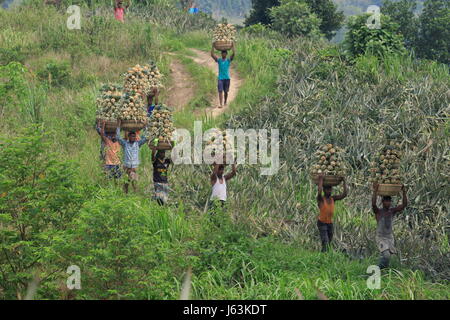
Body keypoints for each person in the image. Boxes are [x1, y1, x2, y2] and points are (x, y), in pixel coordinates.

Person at [372, 183, 408, 269]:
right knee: (386, 256)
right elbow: (373, 204)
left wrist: (404, 192)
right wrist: (375, 191)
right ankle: (376, 270)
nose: (388, 203)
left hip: (389, 237)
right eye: (386, 201)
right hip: (381, 237)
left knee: (391, 257)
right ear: (383, 202)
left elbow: (404, 205)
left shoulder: (392, 211)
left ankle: (384, 272)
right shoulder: (379, 212)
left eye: (389, 201)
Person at [316, 174, 348, 252]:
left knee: (329, 242)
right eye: (327, 190)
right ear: (324, 190)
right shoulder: (320, 199)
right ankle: (323, 257)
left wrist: (344, 180)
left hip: (330, 223)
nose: (329, 191)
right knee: (325, 241)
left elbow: (344, 194)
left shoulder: (333, 199)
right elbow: (319, 191)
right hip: (322, 223)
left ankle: (324, 256)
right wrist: (321, 180)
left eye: (330, 190)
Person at [116, 120, 148, 194]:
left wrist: (145, 126)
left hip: (134, 168)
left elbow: (146, 138)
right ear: (129, 136)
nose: (133, 137)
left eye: (134, 136)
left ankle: (135, 195)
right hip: (127, 167)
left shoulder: (138, 144)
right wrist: (118, 125)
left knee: (134, 183)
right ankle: (125, 196)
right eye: (132, 136)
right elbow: (117, 137)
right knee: (126, 183)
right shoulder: (125, 144)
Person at [210, 43, 235, 108]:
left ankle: (225, 101)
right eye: (222, 53)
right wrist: (213, 46)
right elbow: (212, 55)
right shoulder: (219, 60)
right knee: (220, 91)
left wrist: (233, 47)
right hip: (220, 78)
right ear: (221, 54)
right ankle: (220, 104)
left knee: (226, 92)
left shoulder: (228, 60)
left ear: (226, 54)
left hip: (227, 78)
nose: (223, 54)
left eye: (224, 53)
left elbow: (233, 54)